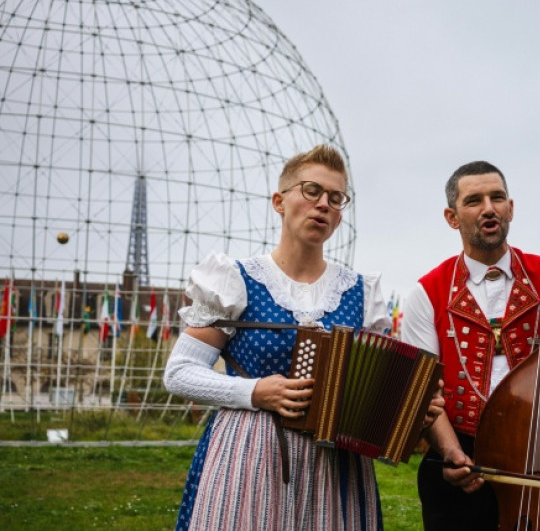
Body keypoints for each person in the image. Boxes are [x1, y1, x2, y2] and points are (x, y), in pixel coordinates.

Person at [164, 144, 444, 531]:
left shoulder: (361, 293)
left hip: (338, 469)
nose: (323, 204)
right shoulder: (236, 279)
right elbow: (179, 372)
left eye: (335, 197)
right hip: (250, 453)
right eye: (311, 191)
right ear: (279, 201)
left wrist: (410, 412)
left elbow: (371, 399)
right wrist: (254, 391)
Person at [401, 160, 540, 531]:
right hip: (460, 460)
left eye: (497, 197)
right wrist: (449, 451)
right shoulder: (426, 293)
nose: (489, 208)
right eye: (474, 200)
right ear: (452, 216)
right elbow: (426, 390)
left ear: (511, 208)